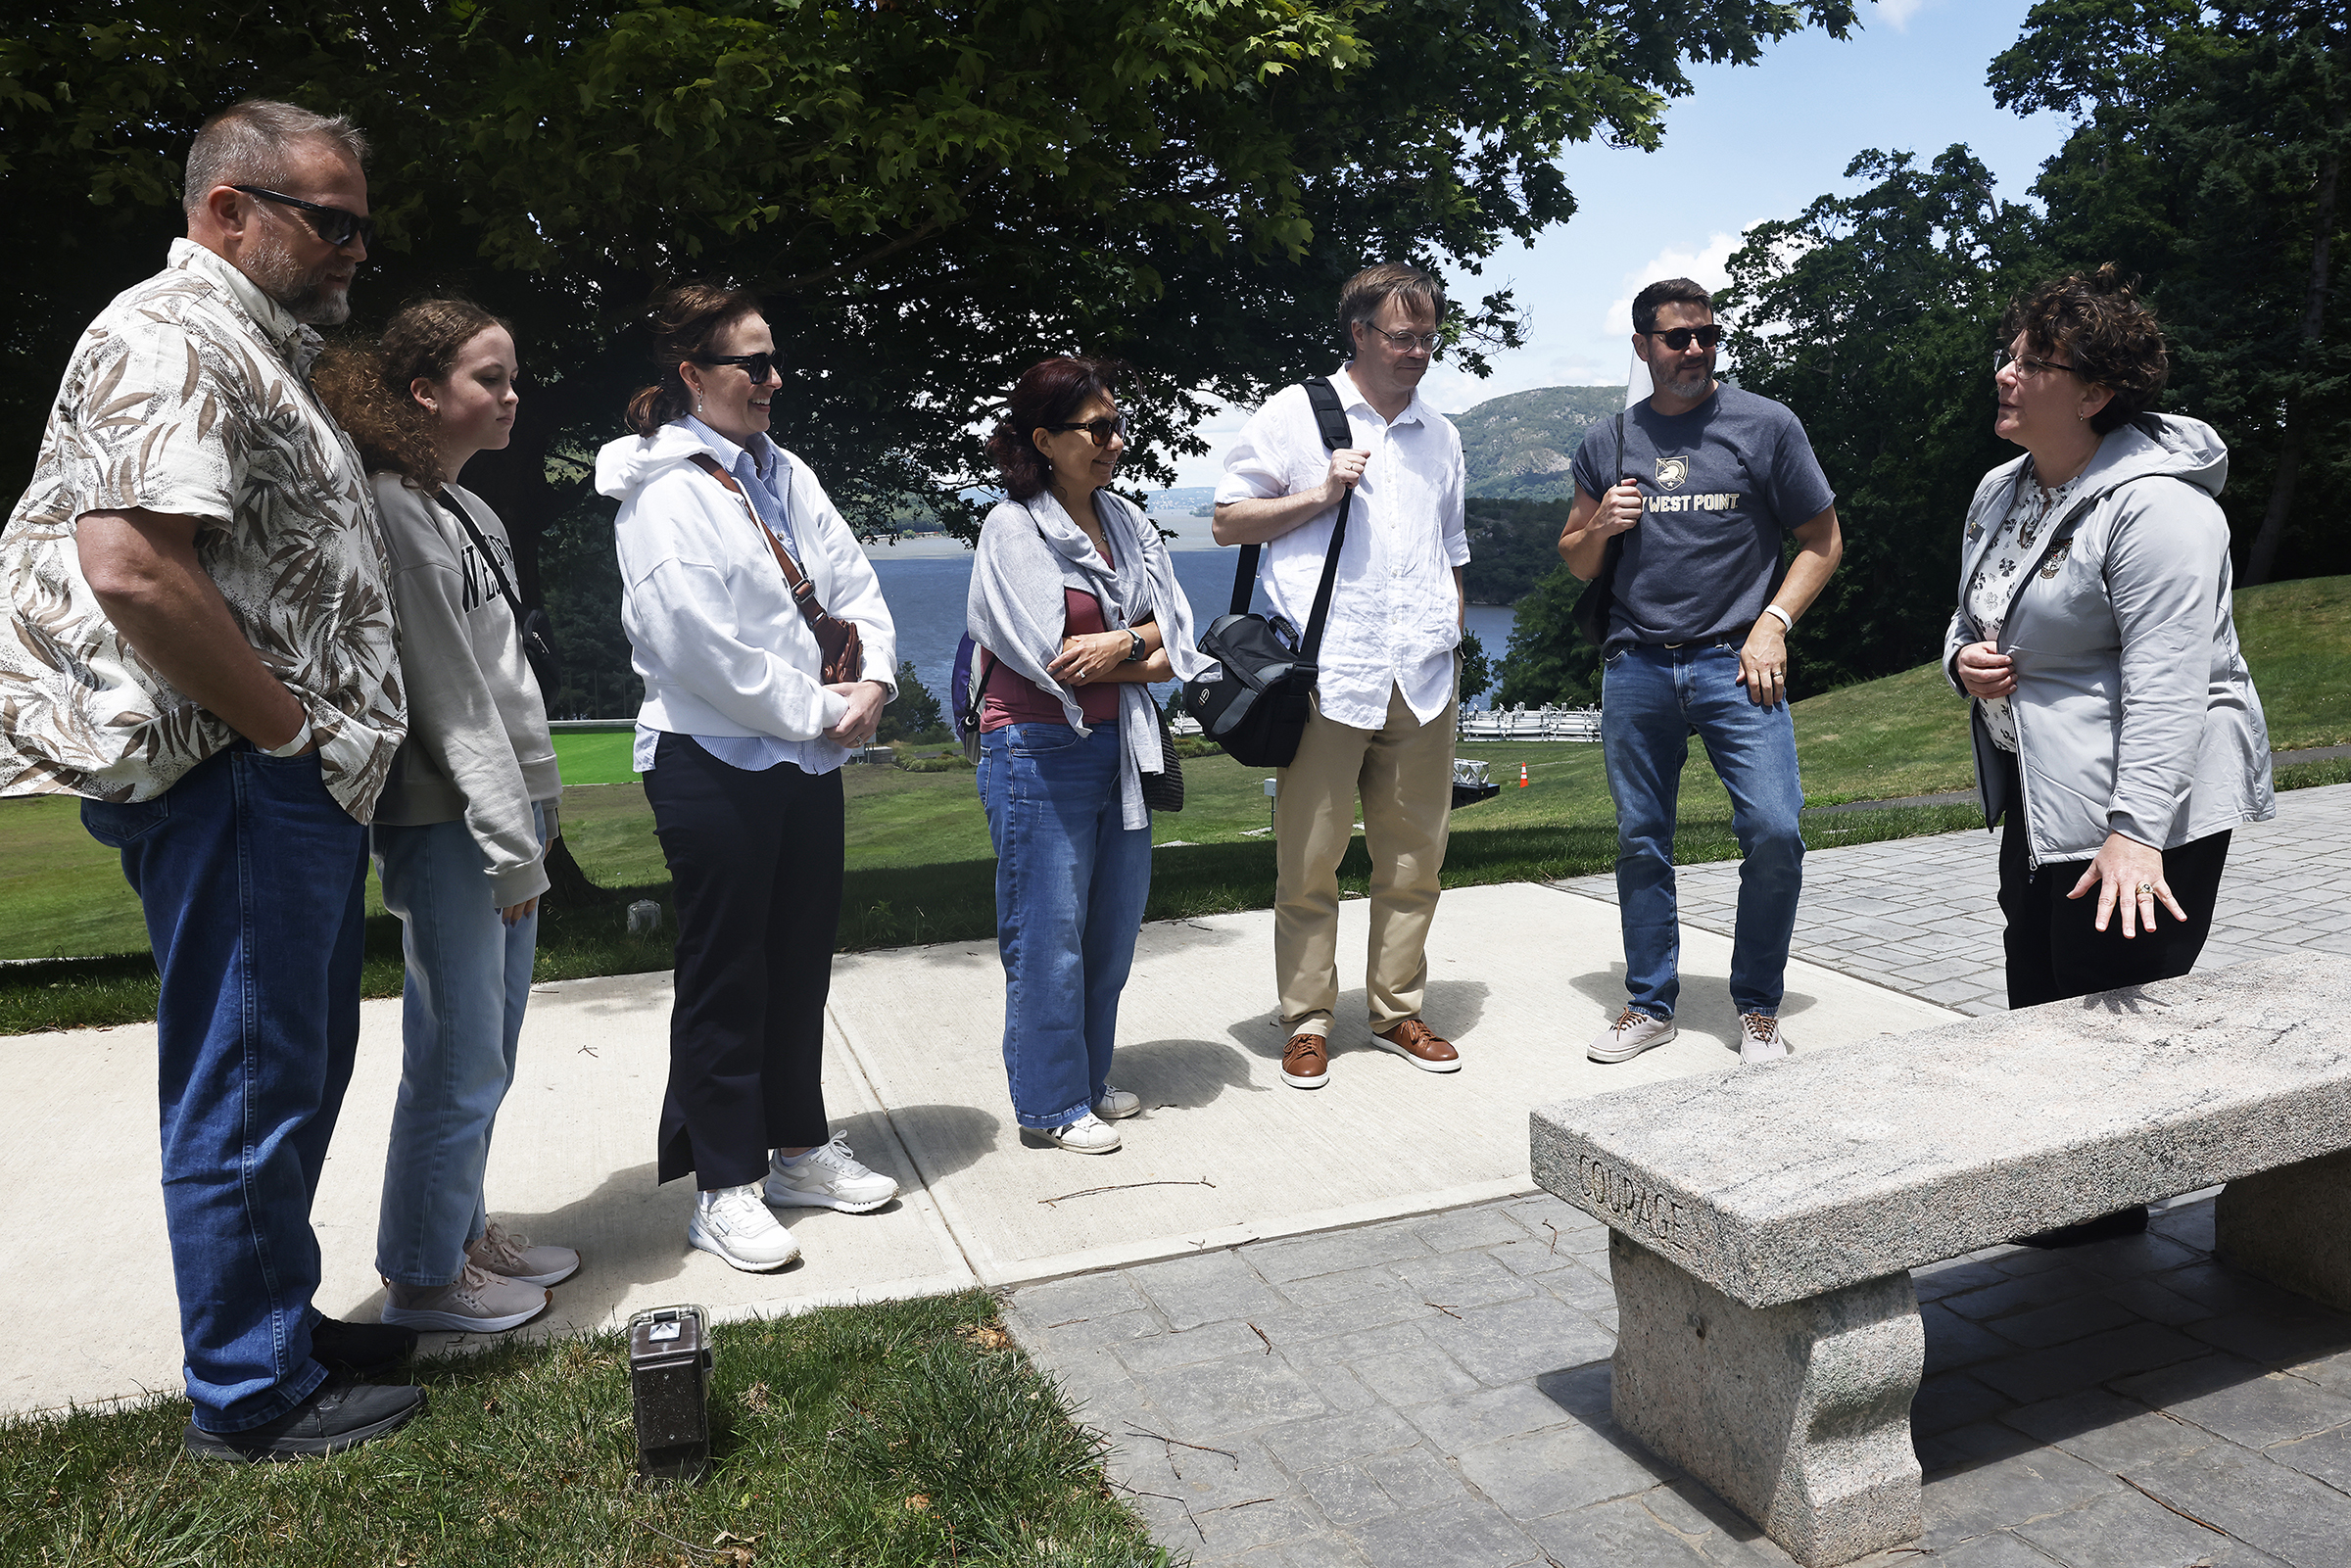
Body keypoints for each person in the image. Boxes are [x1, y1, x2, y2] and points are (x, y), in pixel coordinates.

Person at [0, 100, 421, 1458]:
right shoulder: (172, 331)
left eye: (361, 224)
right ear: (228, 211)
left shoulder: (252, 347)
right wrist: (287, 732)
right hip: (237, 773)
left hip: (277, 777)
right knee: (247, 1077)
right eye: (332, 221)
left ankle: (277, 1321)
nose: (356, 248)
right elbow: (133, 563)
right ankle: (251, 1392)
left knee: (289, 1067)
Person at [596, 281, 901, 1273]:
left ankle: (800, 1146)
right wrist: (822, 708)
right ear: (693, 375)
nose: (775, 380)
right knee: (727, 973)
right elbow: (695, 646)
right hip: (712, 757)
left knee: (800, 959)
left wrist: (875, 679)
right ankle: (724, 1184)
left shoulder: (784, 471)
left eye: (775, 361)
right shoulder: (664, 493)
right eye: (753, 364)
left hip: (804, 754)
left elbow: (854, 583)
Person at [312, 299, 577, 1334]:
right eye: (489, 379)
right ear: (424, 392)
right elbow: (450, 695)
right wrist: (512, 843)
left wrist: (536, 803)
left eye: (513, 377)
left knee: (489, 1046)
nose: (512, 397)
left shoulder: (466, 507)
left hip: (509, 802)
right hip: (453, 820)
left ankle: (462, 1233)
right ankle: (423, 1277)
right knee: (458, 1053)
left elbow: (503, 680)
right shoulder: (396, 508)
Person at [1949, 269, 2273, 1013]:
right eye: (2008, 355)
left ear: (2093, 395)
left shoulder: (2159, 509)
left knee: (2113, 1029)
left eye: (2033, 363)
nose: (2005, 374)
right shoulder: (2000, 491)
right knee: (2037, 1007)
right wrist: (1960, 660)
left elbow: (2172, 683)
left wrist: (2135, 833)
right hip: (2041, 794)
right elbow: (1974, 610)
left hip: (2141, 811)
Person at [1559, 277, 1843, 1068]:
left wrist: (1773, 624)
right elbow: (1576, 557)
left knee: (1775, 830)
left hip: (1737, 663)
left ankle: (1758, 1008)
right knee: (1641, 838)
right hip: (1637, 664)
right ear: (1642, 345)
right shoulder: (1609, 440)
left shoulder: (1766, 425)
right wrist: (1601, 527)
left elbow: (1823, 540)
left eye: (1708, 335)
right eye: (1678, 337)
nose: (1695, 349)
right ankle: (1649, 1002)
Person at [1213, 262, 1470, 1091]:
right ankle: (1308, 1020)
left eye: (1428, 337)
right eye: (1401, 336)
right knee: (1309, 863)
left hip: (1422, 676)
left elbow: (1451, 550)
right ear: (1358, 332)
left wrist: (1452, 632)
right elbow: (1227, 520)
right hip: (1329, 674)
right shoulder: (1295, 414)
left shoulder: (1441, 435)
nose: (1418, 352)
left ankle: (1397, 1011)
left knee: (1415, 863)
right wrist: (1322, 492)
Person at [967, 357, 1208, 1153]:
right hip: (1035, 748)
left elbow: (1179, 636)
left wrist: (1119, 644)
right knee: (1047, 937)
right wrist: (1141, 647)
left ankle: (1089, 1077)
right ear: (1044, 440)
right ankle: (1051, 1103)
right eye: (1097, 429)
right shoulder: (1013, 528)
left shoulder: (1129, 522)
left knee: (1110, 934)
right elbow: (1051, 658)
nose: (1114, 442)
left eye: (1117, 425)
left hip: (1120, 748)